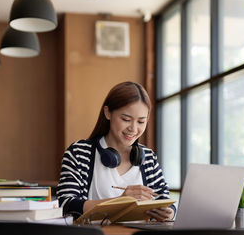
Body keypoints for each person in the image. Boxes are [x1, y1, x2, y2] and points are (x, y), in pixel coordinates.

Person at [56, 81, 175, 222]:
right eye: (126, 119)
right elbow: (65, 205)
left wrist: (169, 213)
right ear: (108, 113)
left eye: (141, 122)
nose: (133, 128)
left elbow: (165, 200)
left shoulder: (148, 157)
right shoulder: (79, 153)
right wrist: (120, 202)